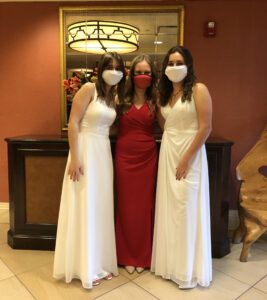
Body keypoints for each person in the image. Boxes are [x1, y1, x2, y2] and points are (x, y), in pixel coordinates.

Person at [53, 52, 126, 289]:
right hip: (84, 150)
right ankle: (83, 265)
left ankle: (98, 262)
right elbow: (73, 123)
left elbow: (107, 127)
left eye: (118, 68)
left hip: (102, 152)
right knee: (84, 203)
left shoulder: (112, 96)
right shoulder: (88, 89)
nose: (114, 71)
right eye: (109, 66)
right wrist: (75, 157)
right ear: (100, 68)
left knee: (99, 205)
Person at [151, 45, 212, 289]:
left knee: (186, 208)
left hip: (191, 152)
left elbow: (205, 127)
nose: (175, 67)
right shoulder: (163, 94)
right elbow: (165, 123)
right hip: (168, 149)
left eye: (179, 63)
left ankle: (187, 270)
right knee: (169, 208)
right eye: (171, 63)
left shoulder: (199, 90)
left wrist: (186, 158)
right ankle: (170, 266)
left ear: (189, 65)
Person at [115, 54, 158, 274]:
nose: (143, 76)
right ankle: (125, 255)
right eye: (139, 72)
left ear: (153, 76)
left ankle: (143, 256)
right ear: (132, 74)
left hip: (147, 157)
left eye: (147, 72)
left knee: (144, 207)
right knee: (125, 205)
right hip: (124, 156)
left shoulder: (157, 99)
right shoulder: (120, 97)